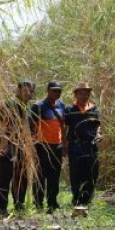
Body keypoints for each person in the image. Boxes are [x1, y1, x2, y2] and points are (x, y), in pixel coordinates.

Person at [0, 80, 35, 217]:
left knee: (22, 176)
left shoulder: (27, 106)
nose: (28, 94)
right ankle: (1, 208)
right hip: (9, 146)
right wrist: (3, 146)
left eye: (31, 92)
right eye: (25, 91)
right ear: (18, 90)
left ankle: (19, 204)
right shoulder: (9, 105)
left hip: (22, 147)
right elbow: (3, 127)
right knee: (5, 178)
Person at [30, 81, 66, 213]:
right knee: (40, 175)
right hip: (41, 146)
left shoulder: (61, 105)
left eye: (59, 91)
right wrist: (33, 147)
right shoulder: (38, 106)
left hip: (57, 146)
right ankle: (38, 203)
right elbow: (31, 128)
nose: (56, 93)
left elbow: (62, 125)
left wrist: (65, 144)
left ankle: (52, 202)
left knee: (55, 175)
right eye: (54, 90)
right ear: (48, 91)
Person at [64, 82, 101, 207]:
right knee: (75, 173)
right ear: (76, 94)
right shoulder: (69, 110)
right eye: (81, 93)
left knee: (92, 172)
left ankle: (86, 199)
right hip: (75, 146)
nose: (83, 96)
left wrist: (98, 135)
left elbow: (97, 125)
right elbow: (64, 127)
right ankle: (76, 199)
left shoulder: (93, 109)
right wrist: (64, 144)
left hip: (91, 146)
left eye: (86, 93)